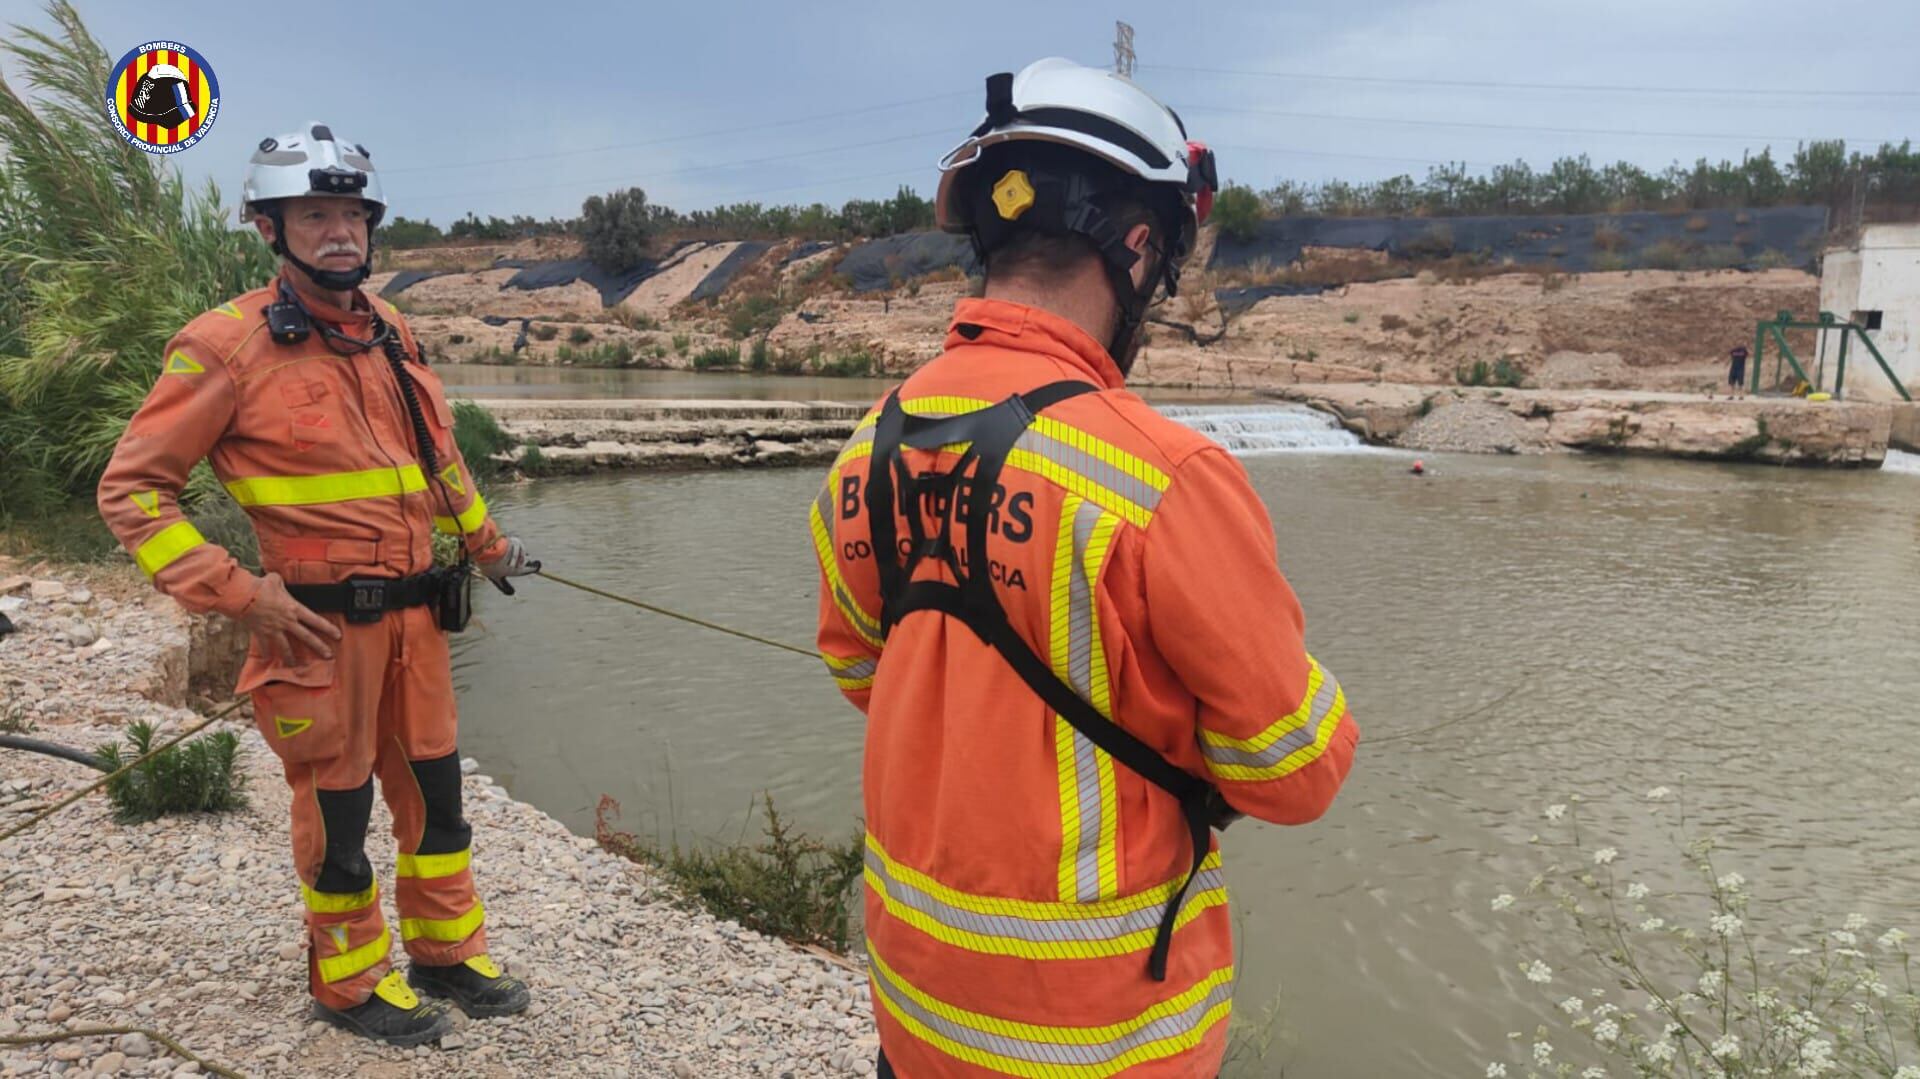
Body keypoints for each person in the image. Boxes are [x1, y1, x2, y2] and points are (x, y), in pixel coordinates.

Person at [810, 60, 1359, 1078]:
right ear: (1141, 248)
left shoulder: (867, 450)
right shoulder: (1160, 478)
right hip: (1102, 1037)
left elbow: (858, 670)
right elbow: (1294, 767)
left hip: (916, 1015)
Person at [97, 122, 540, 1047]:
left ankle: (447, 953)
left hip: (418, 622)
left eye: (352, 215)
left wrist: (491, 547)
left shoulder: (391, 331)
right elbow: (132, 490)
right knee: (339, 817)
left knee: (437, 800)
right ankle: (348, 983)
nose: (339, 232)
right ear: (270, 228)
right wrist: (238, 592)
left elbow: (439, 463)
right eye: (314, 216)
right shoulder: (223, 345)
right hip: (318, 633)